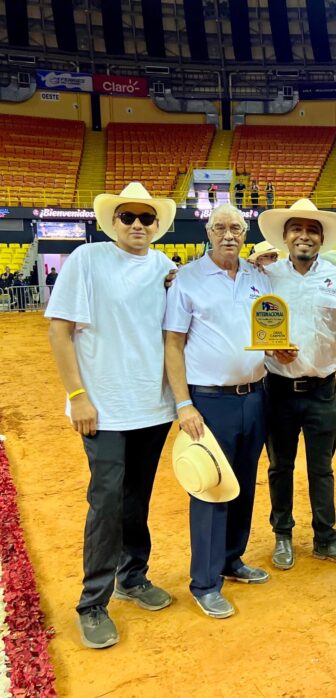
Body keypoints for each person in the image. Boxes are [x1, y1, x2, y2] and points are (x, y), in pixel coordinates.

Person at [45, 182, 177, 649]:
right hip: (101, 408)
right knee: (106, 501)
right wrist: (77, 395)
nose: (138, 225)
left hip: (152, 407)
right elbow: (60, 332)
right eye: (128, 218)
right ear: (113, 222)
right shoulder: (87, 260)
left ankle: (133, 575)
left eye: (146, 218)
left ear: (157, 226)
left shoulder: (165, 267)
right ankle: (92, 602)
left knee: (137, 498)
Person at [164, 203, 271, 619]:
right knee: (210, 487)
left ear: (245, 234)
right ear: (208, 232)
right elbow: (173, 344)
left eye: (236, 228)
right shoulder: (187, 280)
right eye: (220, 227)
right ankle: (205, 582)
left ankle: (231, 559)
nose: (229, 234)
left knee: (242, 481)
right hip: (208, 401)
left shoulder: (256, 277)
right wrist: (184, 403)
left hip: (255, 396)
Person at [257, 198, 336, 570]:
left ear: (321, 239)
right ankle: (283, 536)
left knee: (322, 468)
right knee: (280, 467)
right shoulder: (266, 277)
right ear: (286, 237)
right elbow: (250, 325)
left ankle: (325, 538)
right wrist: (271, 348)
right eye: (297, 230)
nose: (304, 236)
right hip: (279, 390)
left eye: (312, 231)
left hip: (322, 391)